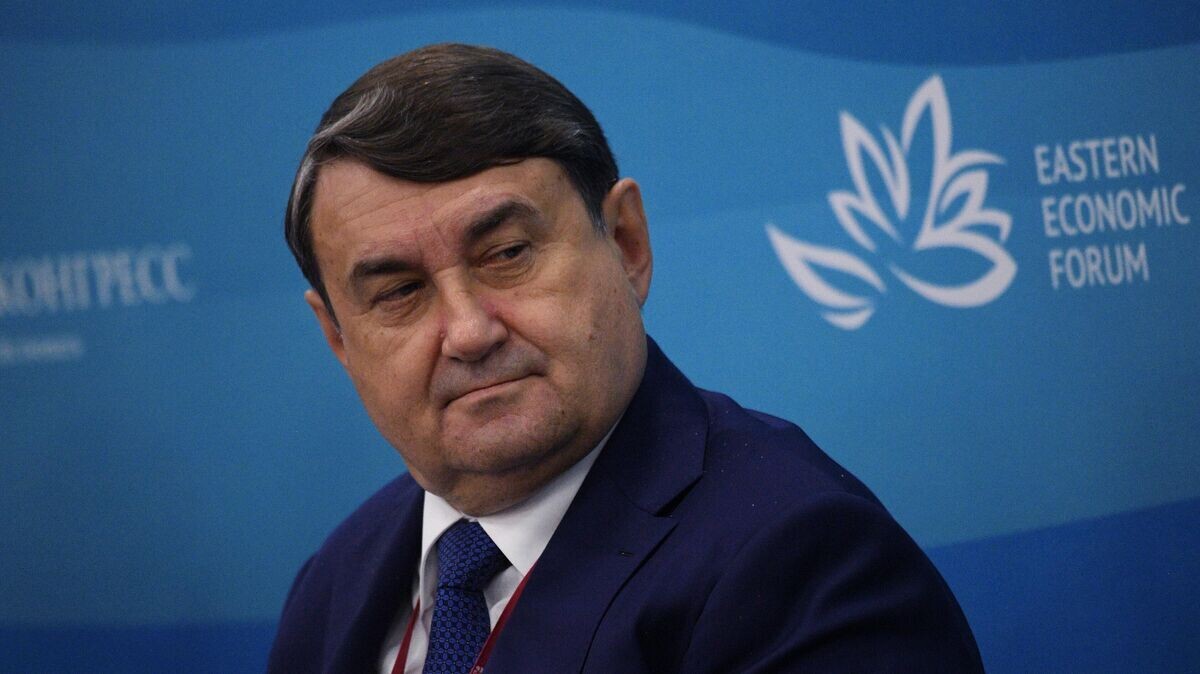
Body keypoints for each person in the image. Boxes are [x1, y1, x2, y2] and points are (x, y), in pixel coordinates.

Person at [268, 43, 984, 673]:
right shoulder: (335, 581)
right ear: (338, 339)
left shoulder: (799, 559)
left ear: (626, 243)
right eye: (399, 292)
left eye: (508, 254)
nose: (468, 332)